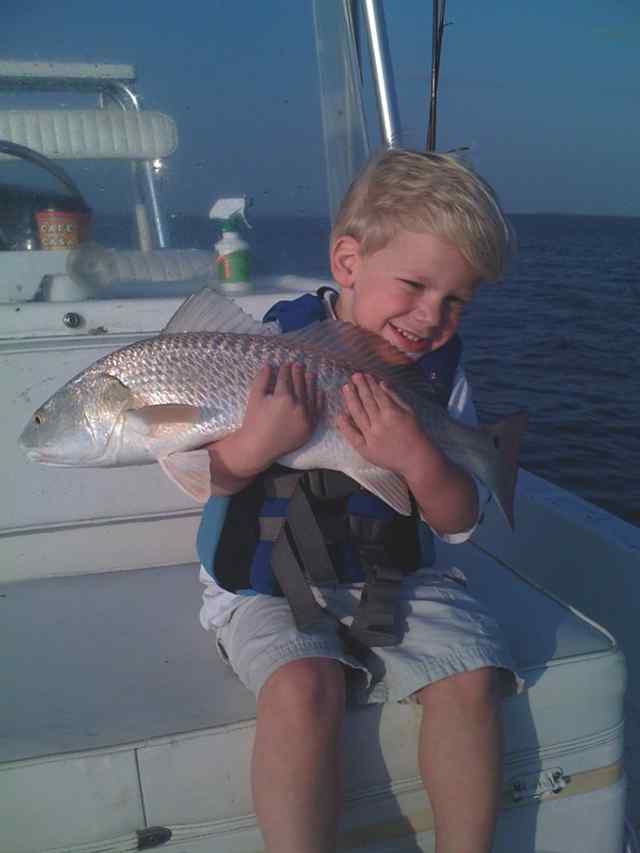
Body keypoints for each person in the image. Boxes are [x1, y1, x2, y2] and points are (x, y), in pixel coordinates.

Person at [197, 149, 520, 853]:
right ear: (348, 262)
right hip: (266, 583)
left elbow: (458, 520)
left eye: (456, 301)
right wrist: (256, 442)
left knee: (473, 677)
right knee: (302, 685)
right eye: (414, 285)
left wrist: (417, 457)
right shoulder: (262, 352)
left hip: (395, 576)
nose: (431, 316)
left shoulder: (441, 381)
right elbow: (210, 478)